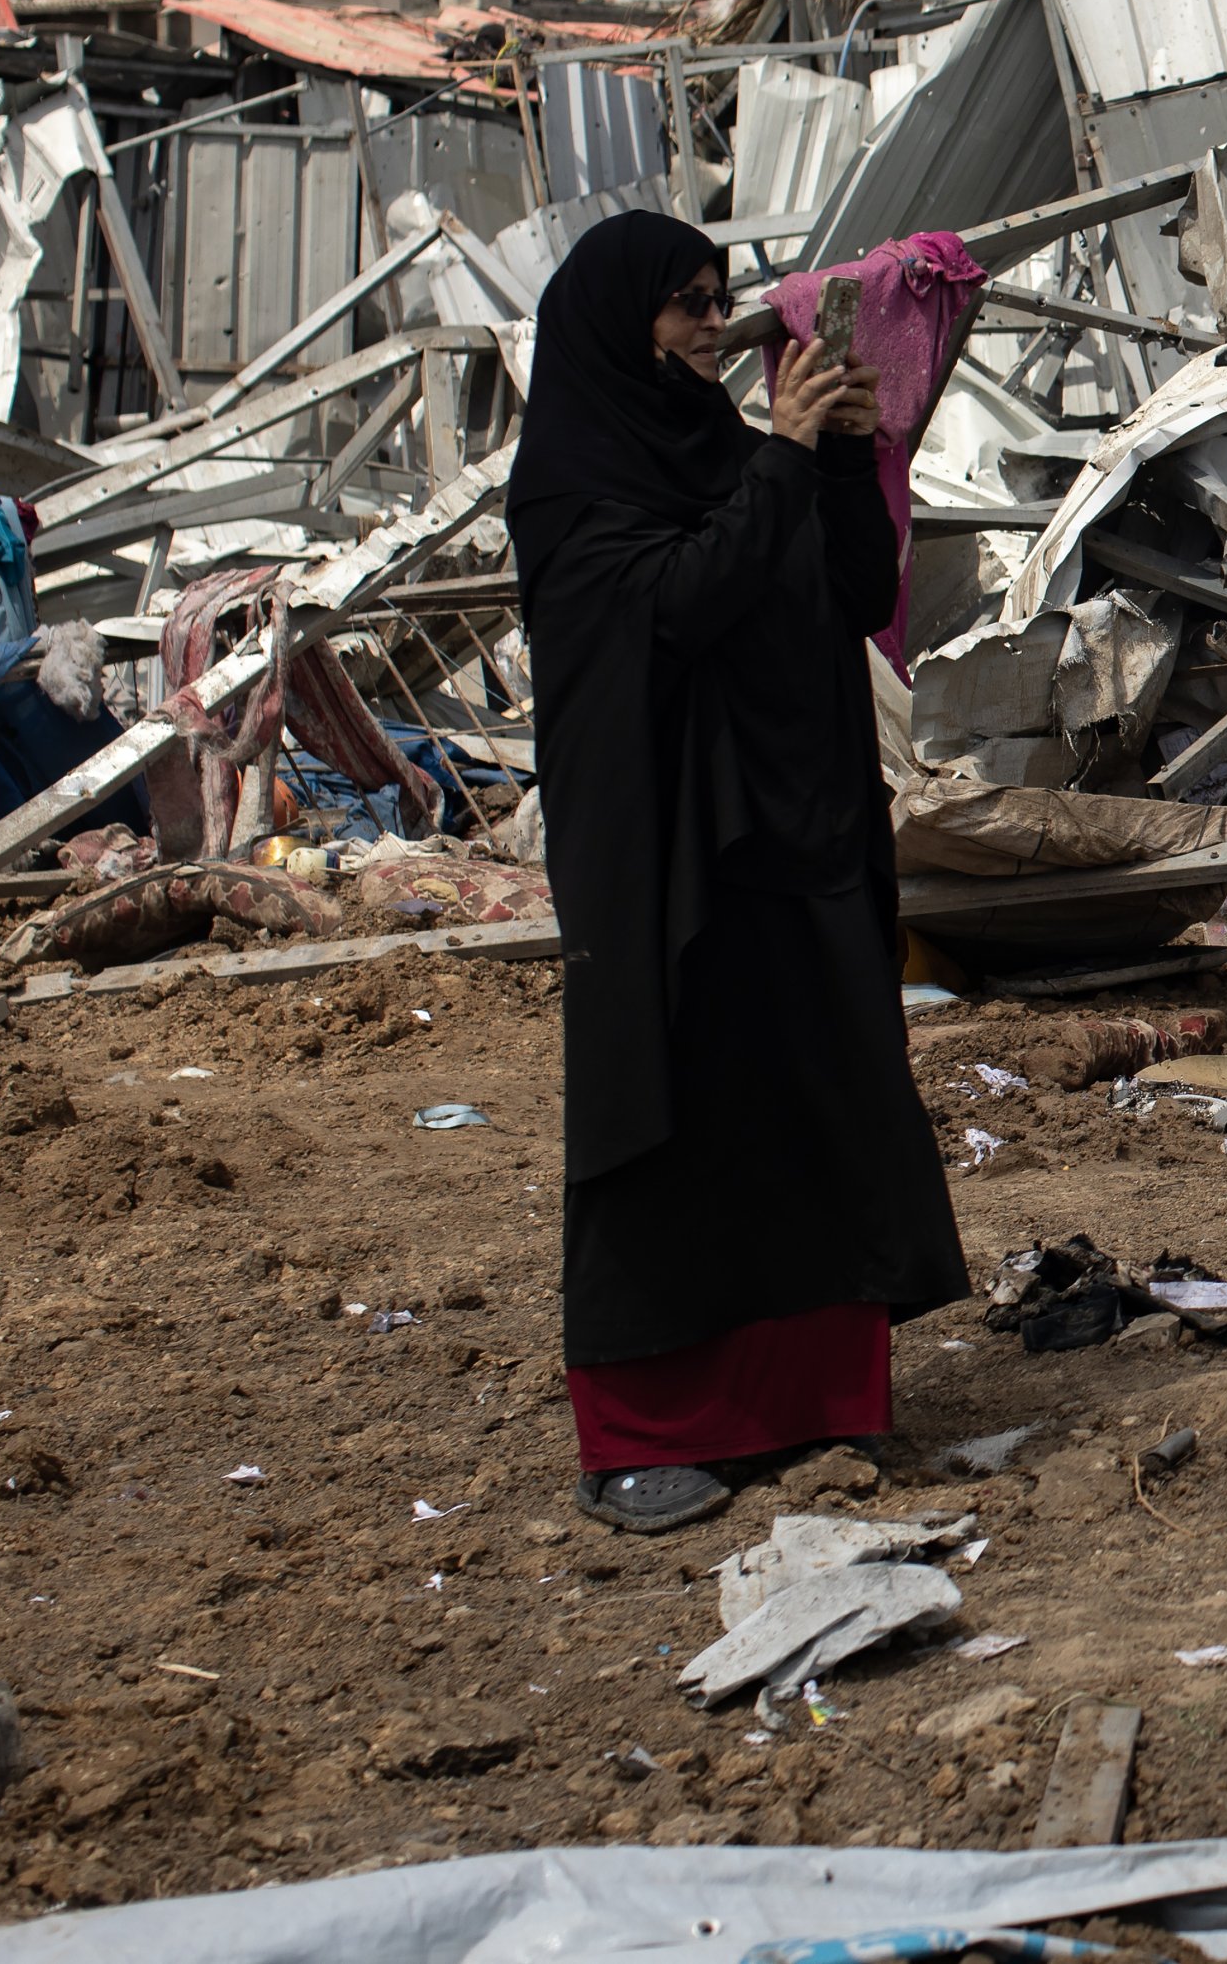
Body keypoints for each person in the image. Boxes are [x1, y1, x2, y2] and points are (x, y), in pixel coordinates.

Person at [507, 212, 969, 1534]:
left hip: (790, 835)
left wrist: (834, 457)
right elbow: (677, 606)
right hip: (667, 868)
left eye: (719, 300)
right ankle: (643, 1430)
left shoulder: (732, 446)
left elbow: (850, 588)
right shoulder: (573, 482)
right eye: (684, 306)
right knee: (672, 1123)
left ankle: (812, 1402)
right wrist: (776, 458)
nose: (712, 326)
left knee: (813, 1104)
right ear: (617, 322)